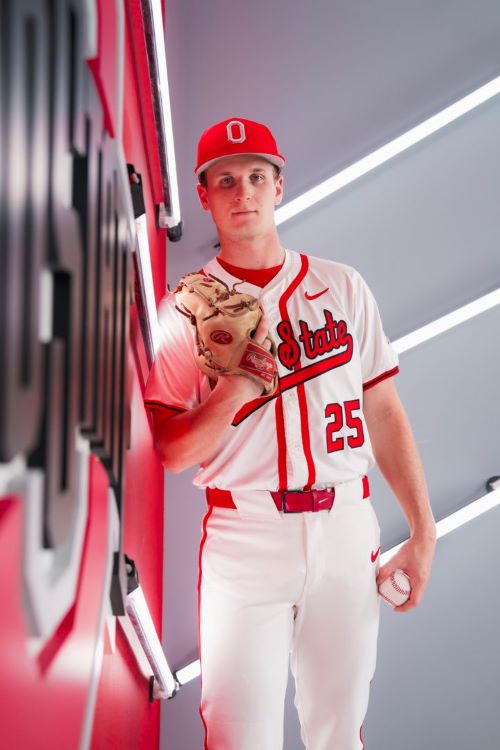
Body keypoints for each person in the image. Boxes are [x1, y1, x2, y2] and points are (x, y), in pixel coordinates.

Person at [144, 117, 437, 750]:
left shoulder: (343, 286)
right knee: (237, 738)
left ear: (279, 186)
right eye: (225, 181)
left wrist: (422, 528)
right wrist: (237, 389)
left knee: (338, 733)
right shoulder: (181, 313)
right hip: (244, 535)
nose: (242, 193)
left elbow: (384, 413)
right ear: (204, 195)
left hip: (346, 527)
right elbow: (172, 452)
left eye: (255, 176)